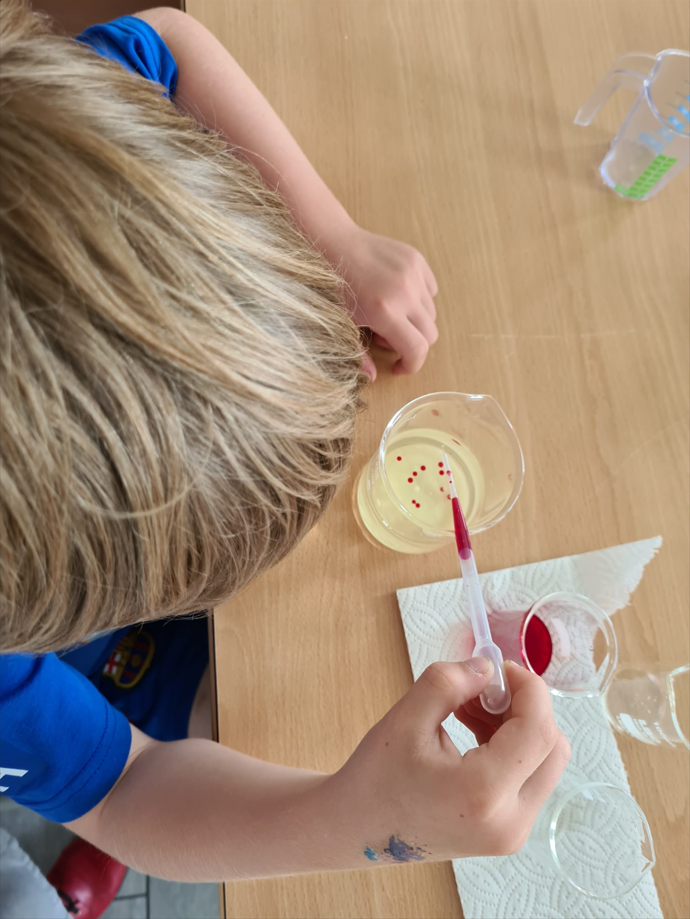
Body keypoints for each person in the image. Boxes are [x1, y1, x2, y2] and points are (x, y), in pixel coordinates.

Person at [0, 0, 570, 892]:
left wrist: (332, 235)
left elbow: (168, 39)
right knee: (253, 721)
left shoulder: (44, 138)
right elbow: (126, 785)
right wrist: (362, 822)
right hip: (84, 679)